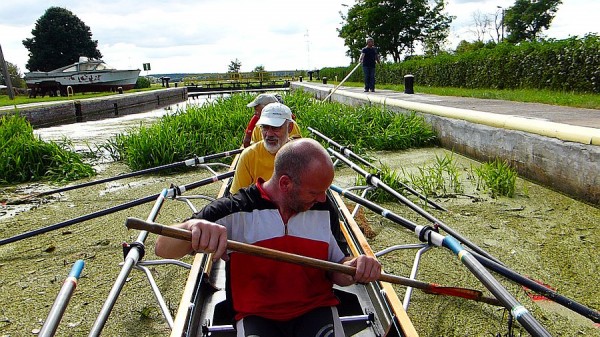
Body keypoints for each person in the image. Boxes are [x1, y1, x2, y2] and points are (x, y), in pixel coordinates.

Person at [155, 138, 382, 337]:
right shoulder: (235, 209)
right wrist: (192, 227)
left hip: (316, 308)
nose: (323, 199)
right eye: (314, 192)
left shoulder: (324, 209)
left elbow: (337, 269)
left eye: (324, 191)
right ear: (285, 183)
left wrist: (355, 267)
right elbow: (162, 247)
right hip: (256, 314)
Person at [230, 102, 296, 194]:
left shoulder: (300, 156)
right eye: (264, 127)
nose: (269, 134)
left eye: (275, 128)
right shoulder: (249, 156)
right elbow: (237, 198)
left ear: (290, 128)